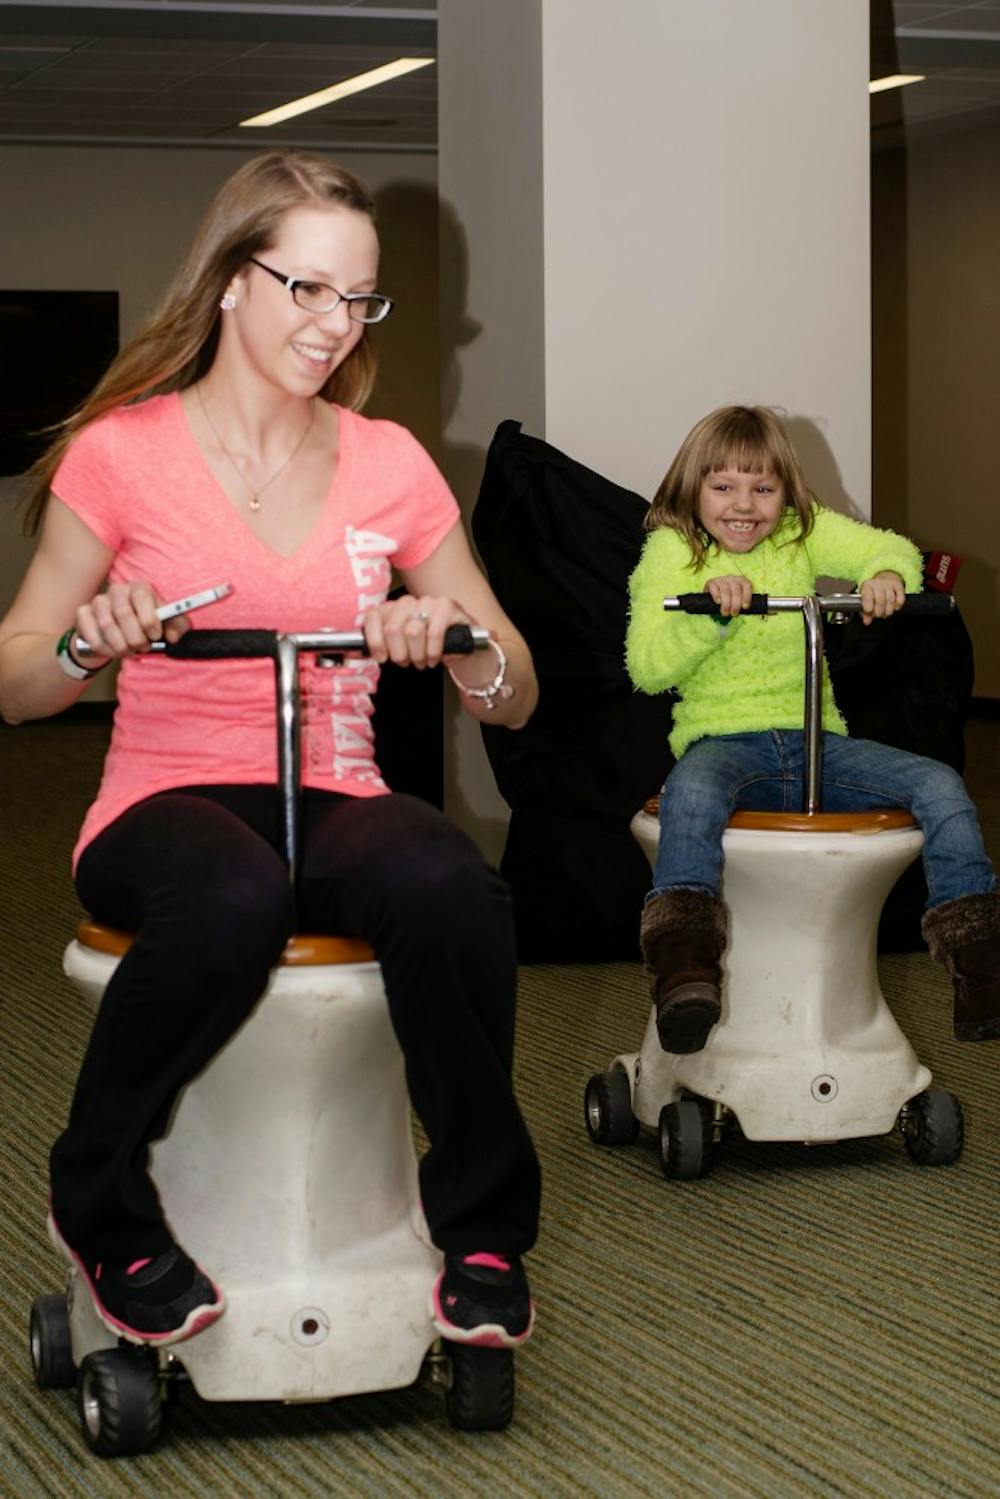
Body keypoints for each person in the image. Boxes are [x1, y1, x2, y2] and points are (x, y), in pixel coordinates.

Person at [0, 150, 541, 1350]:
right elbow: (17, 681)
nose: (335, 325)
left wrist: (454, 640)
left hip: (335, 785)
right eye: (307, 289)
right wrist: (87, 644)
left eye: (359, 299)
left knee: (451, 879)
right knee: (231, 889)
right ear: (232, 281)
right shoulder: (123, 449)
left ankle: (484, 1228)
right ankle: (96, 1191)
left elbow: (513, 686)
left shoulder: (388, 460)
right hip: (164, 794)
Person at [626, 404, 1000, 1054]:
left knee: (939, 784)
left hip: (815, 747)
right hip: (722, 743)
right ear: (692, 488)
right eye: (723, 487)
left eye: (763, 488)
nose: (744, 505)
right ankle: (685, 968)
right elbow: (648, 665)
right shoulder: (673, 550)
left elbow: (886, 548)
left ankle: (980, 965)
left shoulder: (801, 534)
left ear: (786, 495)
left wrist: (887, 577)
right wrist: (709, 614)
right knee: (692, 792)